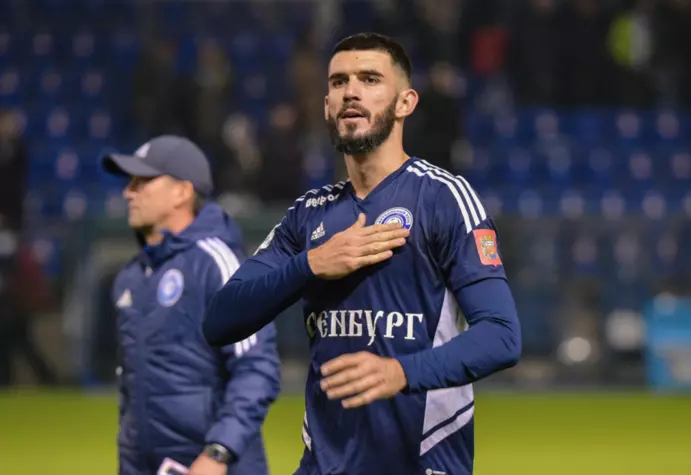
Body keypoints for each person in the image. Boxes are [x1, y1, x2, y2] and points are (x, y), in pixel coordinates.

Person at [203, 33, 522, 475]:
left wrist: (401, 373)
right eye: (338, 82)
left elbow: (502, 336)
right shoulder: (308, 214)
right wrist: (311, 264)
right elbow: (220, 320)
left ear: (406, 102)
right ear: (327, 106)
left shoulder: (444, 197)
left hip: (420, 463)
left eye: (370, 79)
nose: (350, 91)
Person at [102, 135, 280, 475]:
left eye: (142, 181)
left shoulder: (217, 263)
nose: (128, 192)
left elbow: (256, 368)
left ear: (182, 192)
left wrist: (219, 452)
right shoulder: (131, 277)